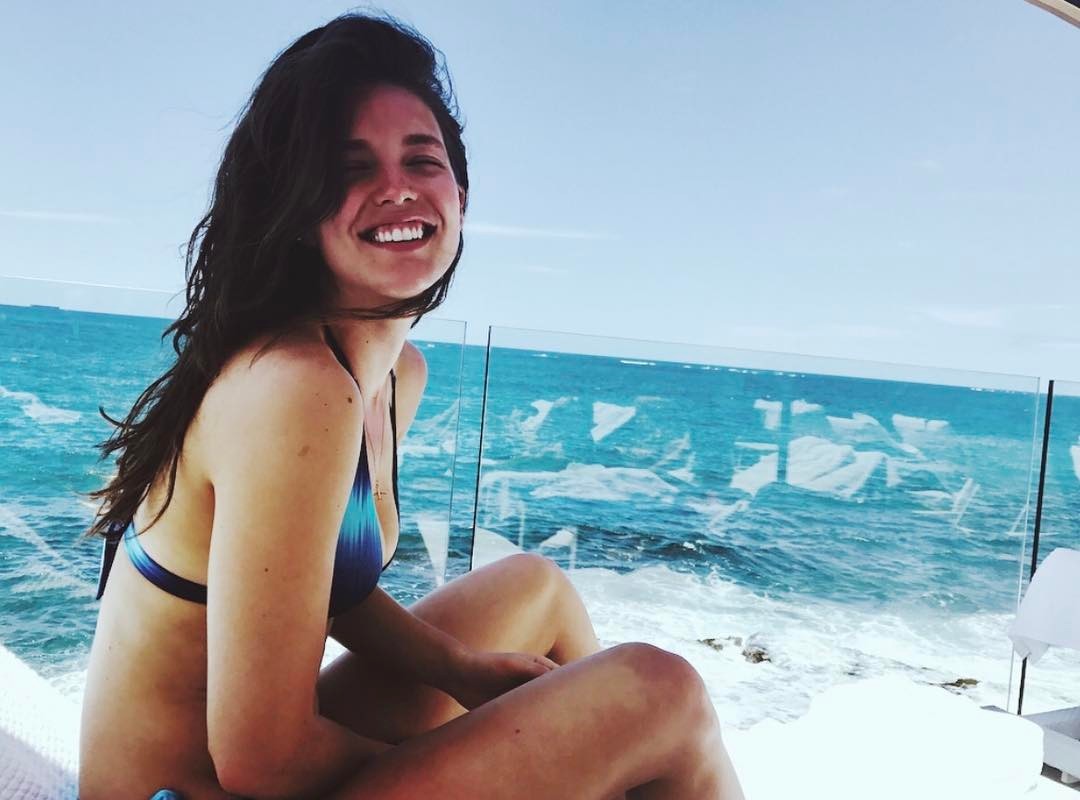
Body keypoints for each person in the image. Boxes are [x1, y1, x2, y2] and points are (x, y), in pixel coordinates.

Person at [78, 11, 745, 799]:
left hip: (247, 769)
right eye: (350, 167)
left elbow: (320, 588)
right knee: (659, 693)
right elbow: (262, 760)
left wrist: (458, 670)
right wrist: (517, 765)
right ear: (298, 210)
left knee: (535, 586)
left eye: (421, 159)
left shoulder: (395, 373)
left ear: (459, 192)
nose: (396, 186)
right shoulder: (295, 388)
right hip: (197, 790)